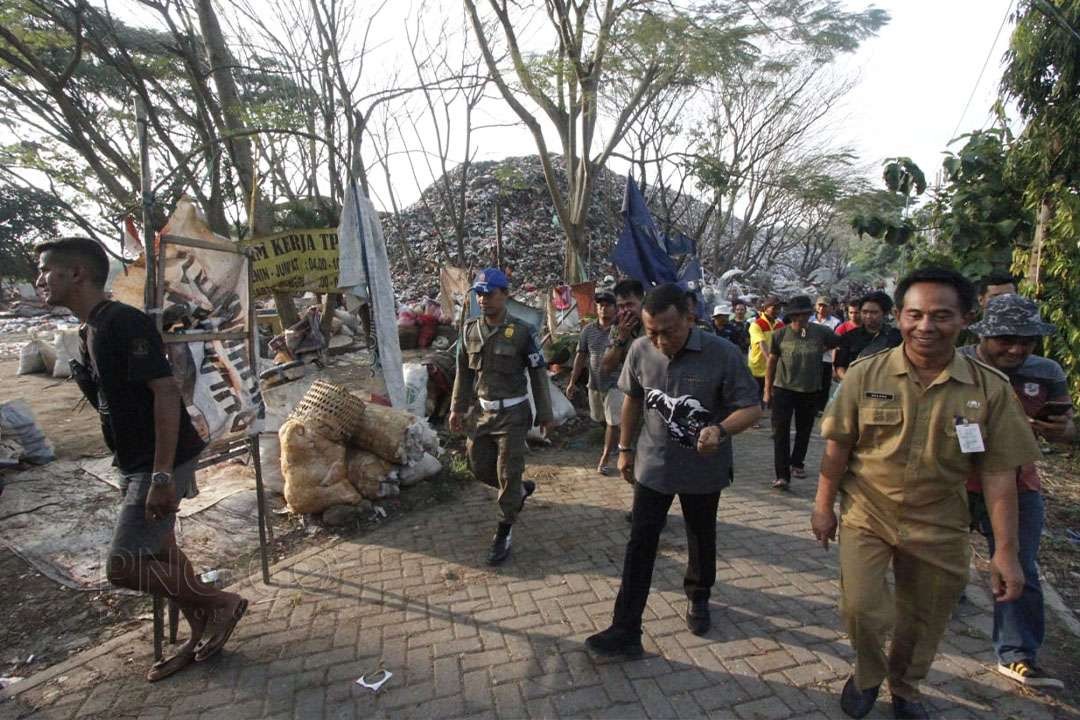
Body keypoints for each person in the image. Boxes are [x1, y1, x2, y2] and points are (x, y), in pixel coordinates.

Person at [812, 267, 1041, 719]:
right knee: (860, 608)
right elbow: (838, 448)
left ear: (965, 319)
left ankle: (906, 686)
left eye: (941, 315)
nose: (925, 326)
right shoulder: (864, 374)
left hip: (940, 521)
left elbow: (999, 475)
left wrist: (1007, 553)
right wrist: (822, 506)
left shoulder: (988, 389)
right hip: (867, 514)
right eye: (914, 314)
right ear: (899, 316)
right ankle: (866, 674)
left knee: (925, 617)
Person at [35, 237, 246, 682]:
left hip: (159, 461)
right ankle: (198, 632)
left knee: (124, 566)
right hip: (136, 460)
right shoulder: (90, 330)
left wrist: (163, 475)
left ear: (77, 274)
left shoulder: (122, 323)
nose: (40, 280)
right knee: (163, 553)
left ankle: (220, 603)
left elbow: (165, 393)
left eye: (47, 271)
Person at [585, 284, 761, 657]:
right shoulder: (640, 350)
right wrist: (624, 449)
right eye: (652, 332)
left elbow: (751, 407)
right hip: (653, 466)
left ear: (689, 318)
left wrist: (721, 429)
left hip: (703, 468)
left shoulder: (723, 354)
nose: (661, 340)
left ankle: (699, 597)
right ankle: (625, 628)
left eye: (669, 330)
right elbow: (633, 398)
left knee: (701, 537)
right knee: (639, 544)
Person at [961, 294, 1074, 689]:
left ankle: (1017, 653)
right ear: (985, 334)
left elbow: (1069, 429)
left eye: (1026, 340)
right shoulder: (956, 363)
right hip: (952, 482)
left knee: (1019, 566)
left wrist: (1064, 433)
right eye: (1006, 339)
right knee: (930, 562)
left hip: (1017, 485)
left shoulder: (1046, 371)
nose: (1016, 348)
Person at [449, 268, 555, 565]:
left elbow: (538, 372)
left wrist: (544, 414)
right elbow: (463, 372)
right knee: (479, 467)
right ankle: (517, 490)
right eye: (479, 294)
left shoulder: (521, 332)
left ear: (505, 294)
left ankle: (503, 531)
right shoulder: (470, 330)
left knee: (508, 472)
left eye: (490, 293)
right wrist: (457, 408)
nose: (483, 300)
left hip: (514, 414)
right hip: (482, 414)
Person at [764, 295, 841, 490]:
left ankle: (797, 463)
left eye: (805, 314)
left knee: (804, 430)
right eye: (797, 315)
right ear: (791, 316)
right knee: (780, 433)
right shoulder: (780, 335)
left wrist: (826, 352)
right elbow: (771, 363)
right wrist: (767, 390)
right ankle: (782, 475)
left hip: (809, 389)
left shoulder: (821, 332)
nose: (801, 319)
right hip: (783, 389)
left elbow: (838, 342)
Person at [567, 289, 623, 475]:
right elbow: (580, 356)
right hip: (594, 383)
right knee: (600, 419)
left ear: (615, 308)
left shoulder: (620, 330)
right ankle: (617, 439)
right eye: (600, 305)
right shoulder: (588, 331)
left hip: (616, 383)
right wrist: (572, 382)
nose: (603, 309)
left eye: (607, 305)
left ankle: (605, 458)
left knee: (613, 422)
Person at [833, 291, 902, 380]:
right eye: (864, 312)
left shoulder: (897, 337)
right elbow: (840, 366)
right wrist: (850, 382)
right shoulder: (849, 337)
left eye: (874, 312)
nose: (868, 316)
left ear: (885, 313)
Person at [600, 279, 645, 376]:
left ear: (642, 301)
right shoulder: (618, 327)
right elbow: (606, 368)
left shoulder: (654, 323)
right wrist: (621, 339)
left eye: (630, 304)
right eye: (621, 306)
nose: (625, 310)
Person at [748, 295, 783, 406]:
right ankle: (754, 421)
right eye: (774, 308)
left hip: (774, 368)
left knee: (772, 398)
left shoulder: (780, 325)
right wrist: (770, 361)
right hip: (758, 367)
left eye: (779, 308)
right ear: (766, 308)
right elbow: (762, 343)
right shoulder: (756, 324)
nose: (777, 311)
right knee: (755, 398)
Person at [810, 295, 842, 412]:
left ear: (830, 308)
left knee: (824, 384)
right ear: (816, 306)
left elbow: (837, 341)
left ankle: (821, 409)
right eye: (820, 305)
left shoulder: (835, 322)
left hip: (827, 359)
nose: (822, 308)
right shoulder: (809, 320)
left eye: (825, 306)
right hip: (811, 358)